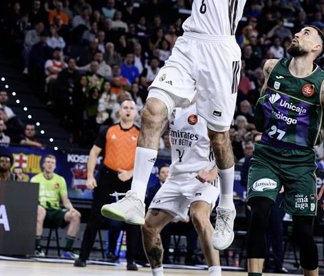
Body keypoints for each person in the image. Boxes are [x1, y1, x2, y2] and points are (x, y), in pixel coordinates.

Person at [102, 0, 266, 252]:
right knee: (152, 110)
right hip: (189, 44)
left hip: (220, 51)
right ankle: (136, 198)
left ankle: (226, 205)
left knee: (220, 136)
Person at [245, 25, 324, 276]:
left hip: (300, 162)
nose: (298, 34)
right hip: (267, 154)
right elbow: (262, 108)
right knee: (259, 215)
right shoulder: (271, 67)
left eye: (307, 33)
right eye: (299, 31)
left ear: (316, 48)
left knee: (303, 232)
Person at [142, 102, 221, 276]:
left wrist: (214, 172)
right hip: (176, 176)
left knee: (199, 216)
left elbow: (226, 146)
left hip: (205, 174)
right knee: (148, 226)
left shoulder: (211, 106)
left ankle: (215, 273)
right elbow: (153, 132)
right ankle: (157, 274)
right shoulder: (171, 105)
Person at [75, 99, 141, 270]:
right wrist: (90, 176)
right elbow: (93, 153)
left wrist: (131, 173)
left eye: (131, 108)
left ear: (135, 113)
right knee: (95, 218)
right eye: (125, 107)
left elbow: (146, 158)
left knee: (132, 220)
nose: (128, 111)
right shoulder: (107, 130)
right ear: (119, 111)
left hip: (130, 179)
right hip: (107, 177)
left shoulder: (141, 133)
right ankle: (82, 257)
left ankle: (131, 261)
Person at [31, 154, 81, 258]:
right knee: (40, 211)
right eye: (48, 162)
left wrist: (72, 209)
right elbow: (30, 199)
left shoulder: (60, 180)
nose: (50, 165)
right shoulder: (35, 179)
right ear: (43, 165)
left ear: (55, 166)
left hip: (55, 211)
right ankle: (37, 248)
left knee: (76, 216)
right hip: (40, 210)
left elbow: (65, 200)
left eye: (52, 163)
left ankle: (68, 250)